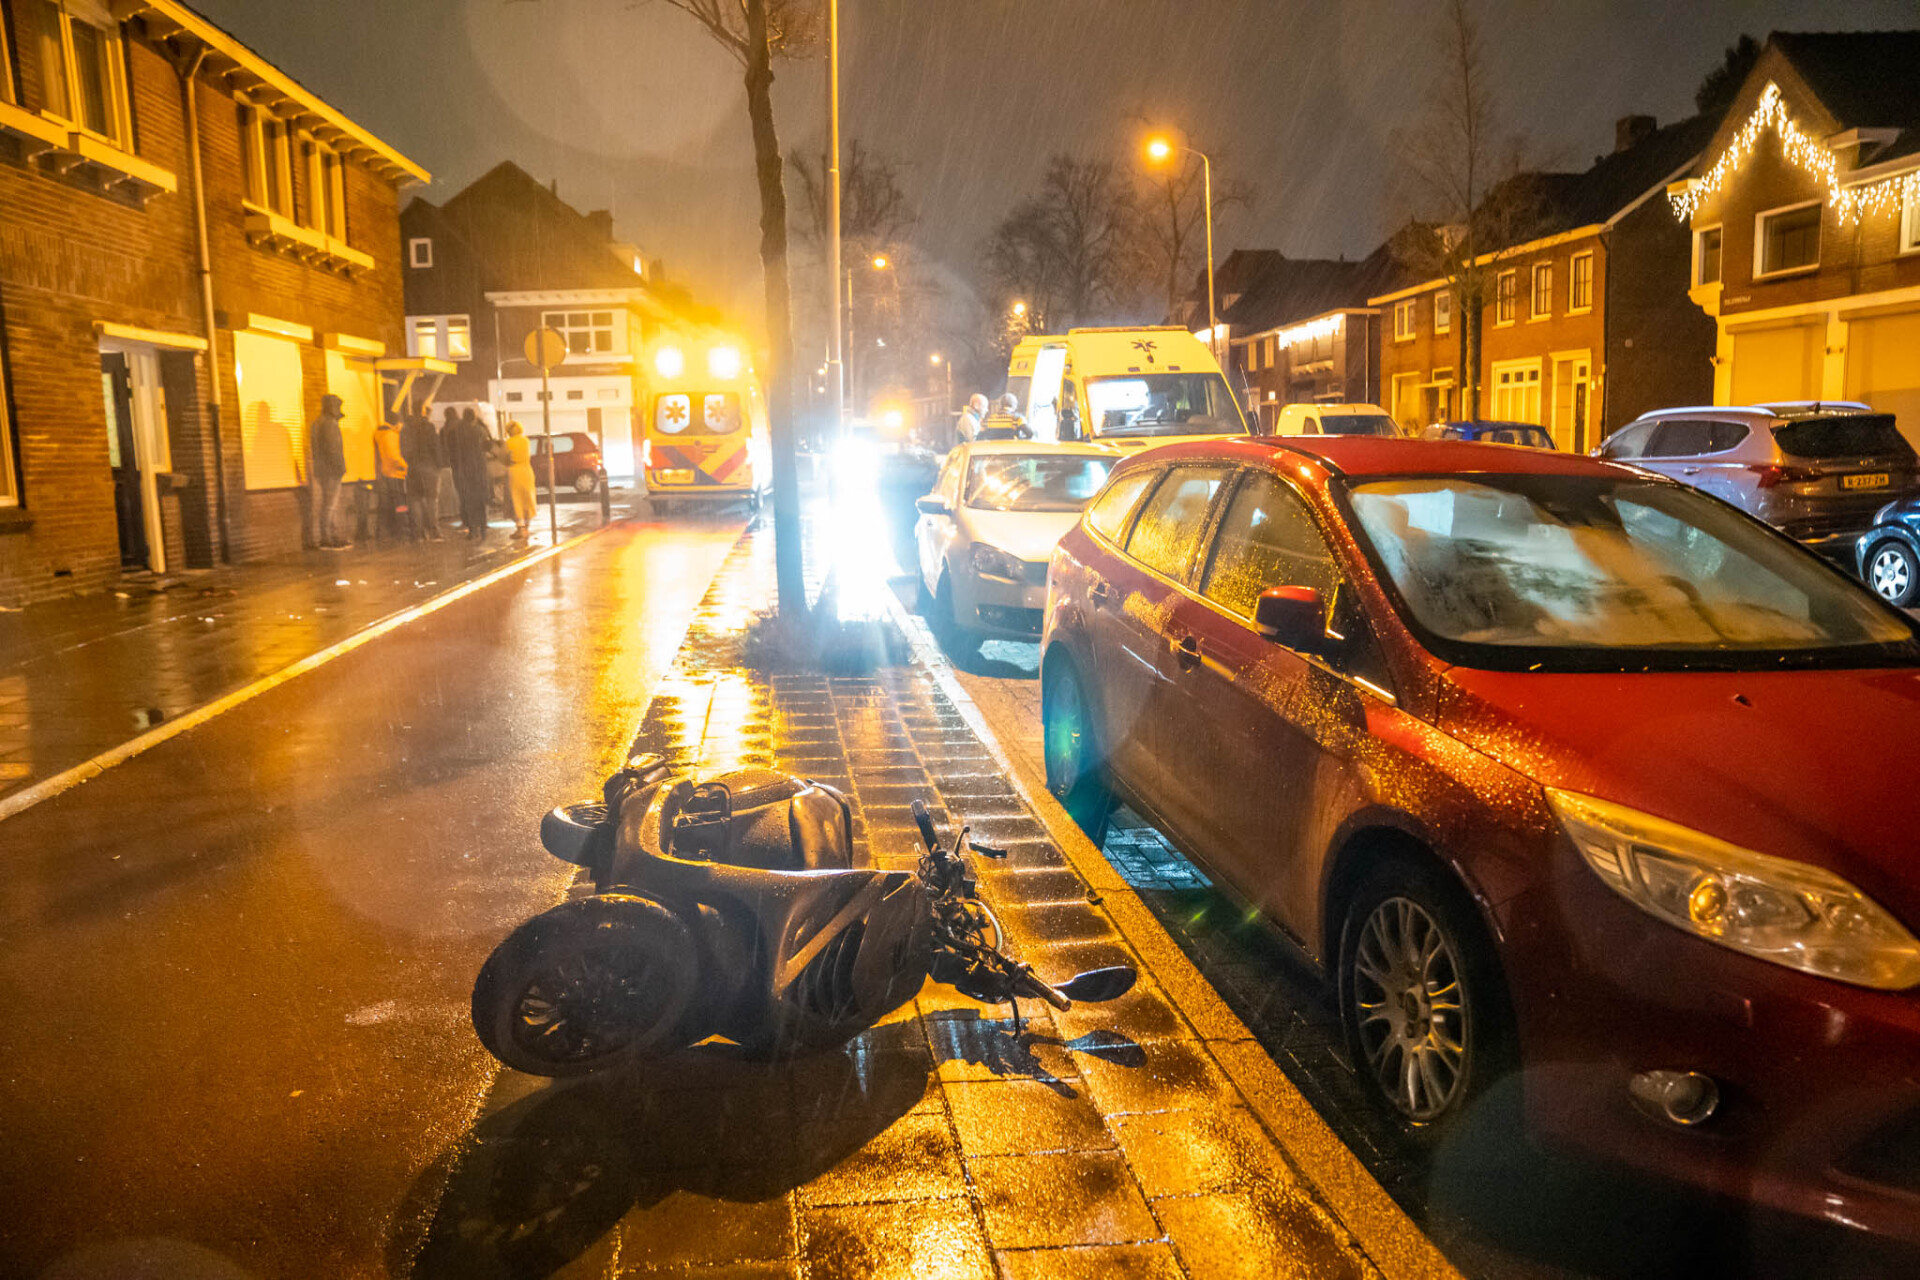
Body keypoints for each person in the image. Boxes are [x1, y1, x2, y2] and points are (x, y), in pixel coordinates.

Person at [308, 394, 348, 549]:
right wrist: (340, 468)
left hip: (322, 470)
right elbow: (333, 449)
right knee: (330, 505)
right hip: (332, 470)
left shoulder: (317, 423)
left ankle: (331, 536)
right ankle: (328, 537)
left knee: (329, 503)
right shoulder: (329, 424)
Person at [446, 408, 492, 541]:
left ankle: (472, 530)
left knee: (468, 501)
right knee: (480, 500)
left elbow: (451, 450)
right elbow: (488, 446)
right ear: (473, 418)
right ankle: (483, 528)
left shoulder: (456, 432)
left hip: (463, 470)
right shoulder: (479, 430)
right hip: (479, 470)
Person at [400, 411, 443, 540]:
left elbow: (403, 450)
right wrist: (439, 464)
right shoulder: (428, 427)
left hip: (412, 468)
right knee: (431, 500)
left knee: (415, 500)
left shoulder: (406, 430)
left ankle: (418, 533)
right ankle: (434, 531)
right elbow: (435, 446)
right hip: (429, 466)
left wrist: (410, 462)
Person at [372, 416, 409, 540]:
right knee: (400, 503)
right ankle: (403, 529)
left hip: (387, 472)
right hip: (396, 473)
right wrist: (406, 466)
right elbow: (394, 456)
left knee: (391, 503)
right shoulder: (390, 435)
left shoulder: (382, 435)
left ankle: (392, 530)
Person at [503, 420, 537, 538]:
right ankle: (527, 526)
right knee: (527, 498)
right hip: (527, 470)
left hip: (514, 472)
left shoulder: (508, 442)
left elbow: (505, 459)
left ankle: (520, 528)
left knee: (516, 500)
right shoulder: (526, 441)